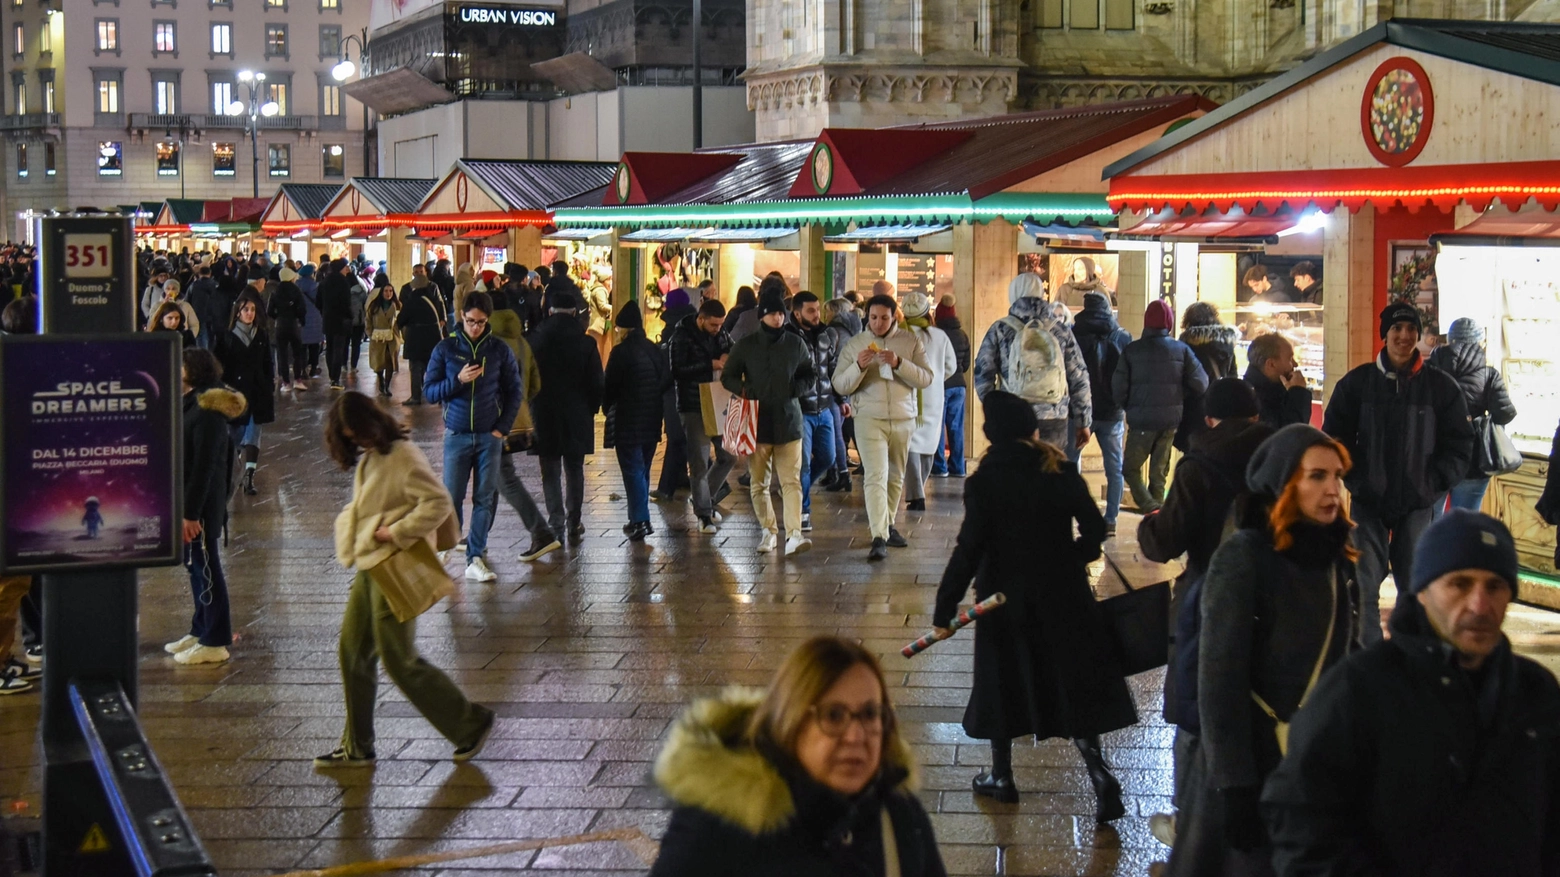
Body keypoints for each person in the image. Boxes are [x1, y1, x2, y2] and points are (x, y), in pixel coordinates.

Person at [1263, 510, 1560, 875]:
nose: (1480, 605)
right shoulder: (1360, 689)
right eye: (1460, 584)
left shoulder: (1537, 693)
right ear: (1421, 591)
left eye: (1495, 587)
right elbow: (1302, 825)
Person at [1167, 424, 1359, 877]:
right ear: (1283, 483)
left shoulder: (1333, 558)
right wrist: (1235, 786)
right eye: (1316, 476)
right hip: (1249, 768)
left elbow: (1348, 658)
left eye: (1338, 476)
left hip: (1309, 764)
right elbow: (1219, 678)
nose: (1333, 490)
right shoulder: (1245, 557)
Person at [933, 391, 1135, 820]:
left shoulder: (984, 481)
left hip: (1003, 601)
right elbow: (1096, 527)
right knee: (1071, 682)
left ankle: (1002, 777)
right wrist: (1074, 558)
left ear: (991, 434)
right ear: (1032, 428)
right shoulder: (1058, 467)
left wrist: (945, 606)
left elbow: (969, 549)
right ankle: (1100, 775)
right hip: (1064, 594)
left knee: (1001, 681)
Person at [649, 635, 946, 877]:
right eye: (833, 715)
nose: (856, 736)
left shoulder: (897, 813)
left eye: (870, 714)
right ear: (791, 723)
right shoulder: (720, 827)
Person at [317, 392, 495, 768]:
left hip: (393, 564)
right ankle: (357, 746)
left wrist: (395, 532)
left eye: (357, 434)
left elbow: (437, 502)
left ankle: (469, 723)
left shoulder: (400, 454)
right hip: (371, 565)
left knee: (400, 659)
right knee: (352, 654)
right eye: (349, 437)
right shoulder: (375, 455)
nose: (356, 442)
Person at [1136, 379, 1274, 845]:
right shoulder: (1280, 461)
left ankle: (1187, 816)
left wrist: (1148, 531)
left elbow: (1167, 539)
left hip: (1205, 595)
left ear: (1210, 418)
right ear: (1255, 417)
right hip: (1272, 599)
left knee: (1198, 704)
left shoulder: (1198, 465)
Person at [1322, 301, 1473, 645]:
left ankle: (1413, 656)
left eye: (1411, 329)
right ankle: (1370, 659)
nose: (1404, 336)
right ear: (1384, 335)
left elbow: (1461, 444)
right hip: (1368, 502)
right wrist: (1355, 479)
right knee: (1364, 585)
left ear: (1419, 335)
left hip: (1418, 504)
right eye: (1396, 329)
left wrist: (1432, 484)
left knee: (1417, 587)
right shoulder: (1357, 383)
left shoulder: (1442, 387)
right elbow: (1335, 436)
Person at [423, 292, 522, 584]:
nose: (475, 327)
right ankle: (446, 545)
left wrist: (501, 427)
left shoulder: (499, 351)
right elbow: (429, 391)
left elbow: (515, 391)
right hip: (456, 435)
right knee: (451, 497)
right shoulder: (446, 349)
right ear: (461, 318)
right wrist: (458, 380)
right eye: (469, 322)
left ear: (487, 320)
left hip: (488, 435)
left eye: (480, 322)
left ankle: (474, 556)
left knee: (485, 498)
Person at [833, 293, 933, 561]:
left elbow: (926, 378)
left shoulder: (910, 341)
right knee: (875, 475)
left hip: (903, 419)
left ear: (894, 317)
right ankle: (878, 535)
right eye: (873, 317)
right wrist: (859, 366)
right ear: (867, 317)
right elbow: (840, 384)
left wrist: (899, 363)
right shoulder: (856, 344)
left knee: (895, 476)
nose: (878, 323)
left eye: (884, 318)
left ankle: (887, 526)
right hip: (868, 419)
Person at [165, 348, 246, 666]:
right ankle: (201, 629)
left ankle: (216, 639)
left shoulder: (207, 413)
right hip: (192, 504)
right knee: (195, 568)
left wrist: (190, 513)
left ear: (194, 371)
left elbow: (204, 468)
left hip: (200, 508)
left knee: (208, 569)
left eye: (181, 364)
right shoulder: (192, 404)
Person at [722, 286, 816, 557]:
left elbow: (809, 374)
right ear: (762, 315)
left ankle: (795, 535)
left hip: (789, 422)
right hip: (757, 423)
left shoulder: (795, 343)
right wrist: (744, 390)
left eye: (781, 313)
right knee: (759, 483)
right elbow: (729, 375)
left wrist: (796, 390)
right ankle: (768, 530)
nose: (778, 318)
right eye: (773, 313)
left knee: (791, 482)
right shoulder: (746, 345)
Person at [973, 273, 1092, 450]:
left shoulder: (1001, 329)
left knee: (1015, 474)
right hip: (1054, 418)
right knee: (1049, 472)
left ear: (1013, 294)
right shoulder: (1060, 330)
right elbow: (1078, 377)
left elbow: (983, 374)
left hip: (1013, 417)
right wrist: (1084, 421)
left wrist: (995, 411)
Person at [485, 288, 560, 562]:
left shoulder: (488, 342)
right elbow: (535, 384)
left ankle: (541, 532)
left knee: (504, 478)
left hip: (494, 419)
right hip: (519, 418)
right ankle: (476, 535)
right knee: (492, 476)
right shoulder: (521, 342)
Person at [1113, 299, 1208, 513]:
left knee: (1130, 468)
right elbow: (1201, 383)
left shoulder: (1132, 350)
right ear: (1169, 323)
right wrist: (1180, 395)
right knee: (1159, 473)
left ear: (1146, 323)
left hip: (1142, 421)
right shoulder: (1181, 350)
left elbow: (1118, 387)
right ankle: (1158, 519)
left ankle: (1150, 507)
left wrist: (1130, 406)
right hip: (1170, 421)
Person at [529, 290, 604, 546]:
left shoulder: (536, 341)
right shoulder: (587, 343)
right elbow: (597, 383)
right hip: (577, 414)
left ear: (549, 311)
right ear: (574, 313)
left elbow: (527, 380)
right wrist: (592, 409)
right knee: (574, 470)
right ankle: (574, 521)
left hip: (544, 413)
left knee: (549, 471)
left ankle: (556, 523)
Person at [1427, 317, 1516, 517]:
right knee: (1465, 524)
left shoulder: (1428, 372)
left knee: (1429, 523)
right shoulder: (1488, 376)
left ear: (1449, 341)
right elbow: (1505, 414)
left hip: (1433, 459)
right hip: (1473, 460)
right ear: (1480, 343)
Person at [603, 301, 672, 542]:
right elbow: (665, 380)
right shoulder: (654, 349)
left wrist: (606, 405)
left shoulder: (620, 352)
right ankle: (636, 519)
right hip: (652, 418)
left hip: (628, 419)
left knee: (632, 470)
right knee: (642, 470)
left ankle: (641, 520)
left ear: (624, 329)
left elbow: (609, 386)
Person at [670, 299, 736, 534]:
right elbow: (677, 370)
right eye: (713, 325)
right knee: (698, 460)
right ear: (700, 319)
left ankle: (703, 499)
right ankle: (704, 514)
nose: (717, 329)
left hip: (718, 400)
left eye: (720, 325)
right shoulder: (681, 337)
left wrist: (728, 356)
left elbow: (732, 347)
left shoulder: (722, 333)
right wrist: (710, 365)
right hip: (692, 404)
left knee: (728, 455)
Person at [1069, 291, 1131, 535]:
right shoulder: (1122, 336)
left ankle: (1074, 514)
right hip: (1112, 412)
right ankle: (1111, 519)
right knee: (1115, 467)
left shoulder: (1073, 335)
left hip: (1079, 412)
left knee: (1071, 464)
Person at [785, 291, 841, 533]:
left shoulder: (825, 336)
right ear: (797, 313)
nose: (817, 314)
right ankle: (802, 509)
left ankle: (797, 488)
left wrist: (841, 398)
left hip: (825, 408)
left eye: (818, 309)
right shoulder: (788, 338)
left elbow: (832, 368)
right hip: (801, 409)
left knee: (828, 458)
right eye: (811, 310)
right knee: (803, 465)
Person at [213, 292, 276, 498]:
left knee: (253, 435)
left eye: (252, 310)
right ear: (237, 312)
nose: (249, 314)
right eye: (246, 310)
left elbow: (268, 362)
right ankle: (238, 471)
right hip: (234, 394)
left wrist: (269, 383)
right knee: (235, 436)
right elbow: (217, 364)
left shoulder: (261, 334)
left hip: (257, 392)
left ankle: (249, 476)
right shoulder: (226, 336)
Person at [899, 292, 957, 512]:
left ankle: (917, 494)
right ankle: (918, 490)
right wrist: (937, 376)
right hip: (932, 394)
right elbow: (950, 367)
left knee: (910, 441)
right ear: (927, 312)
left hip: (904, 393)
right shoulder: (939, 336)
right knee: (929, 442)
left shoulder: (899, 335)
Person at [652, 288, 697, 503]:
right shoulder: (692, 325)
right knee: (683, 437)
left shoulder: (674, 329)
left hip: (674, 391)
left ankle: (666, 487)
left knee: (676, 438)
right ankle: (680, 478)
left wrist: (659, 387)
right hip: (692, 389)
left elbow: (671, 367)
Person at [1175, 301, 1237, 451]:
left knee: (1193, 450)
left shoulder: (1185, 345)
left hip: (1193, 407)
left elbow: (1180, 378)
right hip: (1219, 406)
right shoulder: (1226, 344)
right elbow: (1232, 377)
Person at [931, 294, 970, 478]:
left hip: (941, 385)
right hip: (960, 385)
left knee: (938, 426)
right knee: (956, 427)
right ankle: (958, 467)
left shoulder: (937, 335)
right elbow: (967, 364)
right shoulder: (962, 334)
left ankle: (939, 467)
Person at [395, 263, 445, 406]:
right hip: (433, 337)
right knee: (434, 367)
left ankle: (416, 397)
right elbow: (440, 306)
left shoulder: (411, 301)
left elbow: (401, 319)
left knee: (416, 368)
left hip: (415, 338)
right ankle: (440, 395)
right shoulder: (431, 295)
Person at [823, 298, 858, 492]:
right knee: (840, 431)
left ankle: (841, 473)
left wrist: (839, 395)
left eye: (827, 311)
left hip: (835, 389)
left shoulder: (833, 332)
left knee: (835, 433)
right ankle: (836, 471)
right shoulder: (856, 330)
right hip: (851, 386)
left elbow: (830, 363)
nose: (825, 316)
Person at [1242, 333, 1311, 429]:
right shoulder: (1251, 401)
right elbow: (1291, 434)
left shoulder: (1275, 390)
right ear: (1271, 364)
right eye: (1290, 359)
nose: (1295, 364)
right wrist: (1298, 392)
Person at [268, 266, 309, 391]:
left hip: (280, 325)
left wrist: (278, 317)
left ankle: (286, 383)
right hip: (294, 324)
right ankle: (298, 380)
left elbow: (269, 310)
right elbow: (303, 309)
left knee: (282, 354)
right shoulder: (296, 290)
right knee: (297, 353)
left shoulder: (275, 291)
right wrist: (300, 319)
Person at [320, 259, 356, 390]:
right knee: (338, 349)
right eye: (345, 267)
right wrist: (350, 316)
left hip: (328, 319)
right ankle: (335, 379)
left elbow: (318, 301)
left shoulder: (325, 282)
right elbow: (346, 303)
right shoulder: (343, 282)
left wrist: (324, 312)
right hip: (341, 320)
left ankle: (331, 377)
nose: (347, 269)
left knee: (330, 348)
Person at [367, 276, 399, 397]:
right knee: (379, 362)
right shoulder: (374, 306)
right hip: (378, 338)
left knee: (390, 361)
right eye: (386, 291)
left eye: (391, 291)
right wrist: (370, 333)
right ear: (382, 292)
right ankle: (381, 380)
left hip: (392, 338)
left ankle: (387, 385)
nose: (388, 293)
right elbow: (368, 320)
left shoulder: (397, 305)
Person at [297, 263, 325, 385]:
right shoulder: (315, 287)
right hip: (315, 318)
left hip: (301, 318)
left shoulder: (296, 286)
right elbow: (320, 302)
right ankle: (313, 368)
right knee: (314, 345)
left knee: (302, 347)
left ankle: (303, 369)